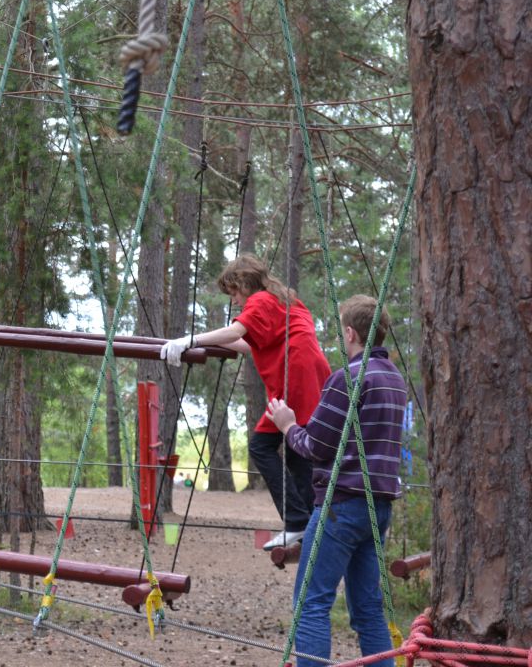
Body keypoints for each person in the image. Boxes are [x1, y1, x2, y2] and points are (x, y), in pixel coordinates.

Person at [264, 295, 406, 667]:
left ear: (351, 333)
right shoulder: (395, 379)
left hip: (341, 506)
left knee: (311, 603)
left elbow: (315, 446)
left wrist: (288, 425)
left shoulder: (348, 379)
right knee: (369, 609)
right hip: (378, 509)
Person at [160, 254, 330, 549]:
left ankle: (298, 521)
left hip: (296, 374)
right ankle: (309, 520)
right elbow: (248, 344)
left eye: (234, 293)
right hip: (306, 372)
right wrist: (206, 341)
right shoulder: (283, 298)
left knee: (262, 446)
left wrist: (191, 340)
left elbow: (236, 332)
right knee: (297, 448)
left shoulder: (260, 300)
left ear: (245, 283)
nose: (235, 300)